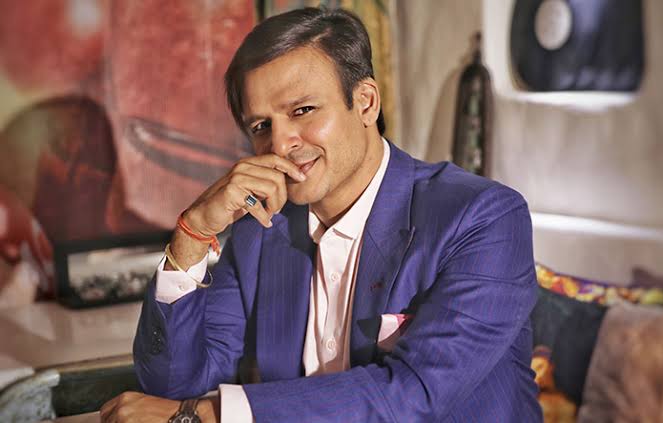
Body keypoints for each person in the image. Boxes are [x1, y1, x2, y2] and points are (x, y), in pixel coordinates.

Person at [101, 7, 541, 422]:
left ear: (366, 103)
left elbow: (413, 394)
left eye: (302, 111)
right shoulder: (261, 230)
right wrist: (193, 232)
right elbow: (175, 386)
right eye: (261, 126)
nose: (280, 144)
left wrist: (209, 415)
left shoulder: (483, 218)